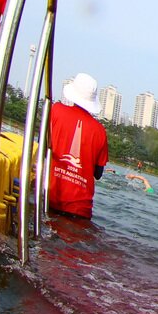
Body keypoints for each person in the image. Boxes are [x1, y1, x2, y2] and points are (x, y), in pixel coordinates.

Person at [48, 72, 110, 219]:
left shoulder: (55, 110)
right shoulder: (100, 131)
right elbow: (98, 174)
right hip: (80, 210)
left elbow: (44, 145)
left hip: (50, 198)